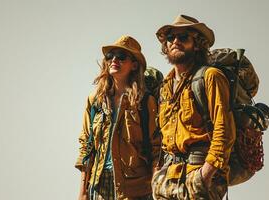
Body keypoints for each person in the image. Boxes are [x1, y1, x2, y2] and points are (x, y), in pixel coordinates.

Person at [152, 15, 236, 200]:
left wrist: (204, 176)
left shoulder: (211, 77)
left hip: (198, 174)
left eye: (183, 37)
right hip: (166, 179)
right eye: (170, 38)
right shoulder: (165, 86)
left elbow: (225, 131)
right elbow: (161, 135)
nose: (175, 41)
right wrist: (157, 174)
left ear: (197, 44)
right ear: (165, 46)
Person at [75, 35, 161, 200]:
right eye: (110, 56)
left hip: (135, 188)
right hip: (99, 185)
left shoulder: (145, 101)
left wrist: (156, 190)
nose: (114, 60)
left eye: (121, 57)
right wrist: (83, 193)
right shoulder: (95, 100)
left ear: (134, 65)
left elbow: (156, 149)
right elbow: (87, 147)